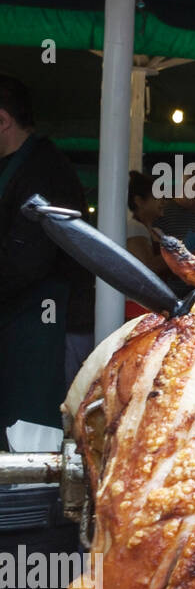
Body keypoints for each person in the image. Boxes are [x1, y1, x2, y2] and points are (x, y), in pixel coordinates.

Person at [0, 75, 88, 441]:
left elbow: (27, 260)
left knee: (36, 442)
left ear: (2, 120)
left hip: (47, 322)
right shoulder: (17, 164)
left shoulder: (42, 168)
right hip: (24, 321)